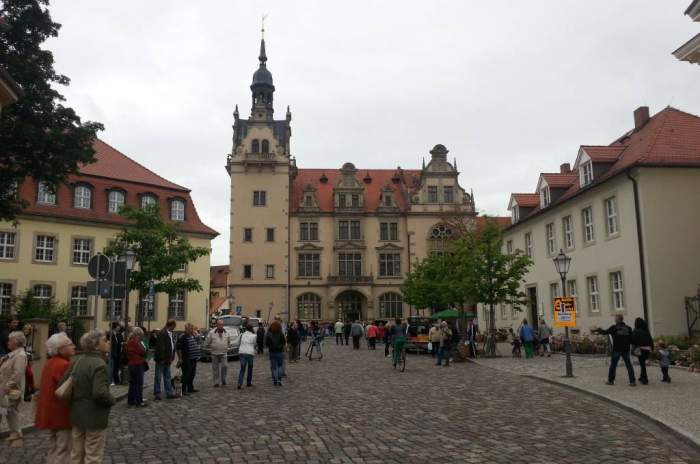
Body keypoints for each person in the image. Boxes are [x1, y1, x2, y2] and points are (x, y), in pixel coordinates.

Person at [69, 330, 116, 464]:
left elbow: (65, 383)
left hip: (77, 414)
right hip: (94, 416)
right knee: (93, 456)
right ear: (95, 345)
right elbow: (100, 393)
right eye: (105, 340)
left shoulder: (78, 361)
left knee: (76, 454)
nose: (108, 343)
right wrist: (112, 400)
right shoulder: (99, 364)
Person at [36, 332, 75, 463]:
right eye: (70, 344)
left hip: (51, 412)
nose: (74, 346)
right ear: (60, 349)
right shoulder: (63, 365)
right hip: (61, 412)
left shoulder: (51, 362)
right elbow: (68, 390)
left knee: (54, 447)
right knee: (63, 449)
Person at [0, 331, 28, 445]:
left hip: (10, 390)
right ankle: (15, 434)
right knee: (6, 411)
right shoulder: (13, 355)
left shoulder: (20, 356)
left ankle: (16, 435)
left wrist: (6, 388)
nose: (8, 342)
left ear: (16, 342)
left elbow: (17, 374)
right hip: (5, 389)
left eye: (10, 340)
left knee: (10, 411)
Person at [594, 315, 636, 386]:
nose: (614, 320)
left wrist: (598, 329)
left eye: (615, 319)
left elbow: (605, 332)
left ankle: (611, 381)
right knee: (628, 365)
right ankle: (632, 381)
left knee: (613, 365)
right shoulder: (628, 328)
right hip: (626, 349)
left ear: (617, 320)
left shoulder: (614, 327)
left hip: (617, 349)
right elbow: (632, 339)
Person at [153, 319, 178, 400]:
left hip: (168, 358)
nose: (174, 328)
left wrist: (172, 356)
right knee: (158, 376)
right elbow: (161, 347)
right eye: (174, 326)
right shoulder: (162, 333)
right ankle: (157, 393)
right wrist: (162, 358)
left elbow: (172, 345)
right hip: (162, 359)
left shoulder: (170, 333)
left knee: (167, 376)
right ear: (171, 325)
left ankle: (169, 392)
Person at [206, 319, 232, 387]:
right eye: (219, 324)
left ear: (223, 325)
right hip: (214, 353)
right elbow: (207, 342)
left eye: (222, 325)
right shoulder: (211, 332)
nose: (220, 326)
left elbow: (229, 342)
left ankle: (223, 379)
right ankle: (216, 382)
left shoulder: (226, 332)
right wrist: (211, 347)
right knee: (215, 368)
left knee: (225, 366)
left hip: (224, 353)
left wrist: (227, 347)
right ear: (217, 325)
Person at [176, 323, 201, 395]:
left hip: (193, 358)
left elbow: (198, 343)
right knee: (186, 374)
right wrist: (180, 358)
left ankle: (190, 388)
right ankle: (183, 390)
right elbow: (178, 348)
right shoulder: (182, 337)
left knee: (192, 374)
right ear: (186, 329)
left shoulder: (192, 336)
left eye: (192, 329)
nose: (192, 330)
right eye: (190, 329)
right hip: (187, 359)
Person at [126, 327, 147, 407]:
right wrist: (142, 349)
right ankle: (139, 401)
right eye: (141, 335)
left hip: (131, 364)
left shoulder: (130, 341)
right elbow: (142, 352)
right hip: (137, 364)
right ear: (138, 334)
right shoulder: (135, 342)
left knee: (133, 383)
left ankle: (131, 400)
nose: (142, 337)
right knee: (138, 383)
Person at [631, 317, 653, 385]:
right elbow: (650, 339)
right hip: (647, 349)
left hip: (640, 349)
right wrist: (652, 348)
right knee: (642, 363)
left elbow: (633, 340)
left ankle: (645, 379)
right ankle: (641, 377)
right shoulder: (646, 330)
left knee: (642, 364)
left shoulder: (636, 330)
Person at [265, 320, 286, 386]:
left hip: (272, 352)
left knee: (274, 367)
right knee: (280, 366)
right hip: (279, 352)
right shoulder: (281, 335)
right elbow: (284, 343)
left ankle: (275, 380)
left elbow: (266, 344)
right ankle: (279, 380)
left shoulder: (270, 335)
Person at [238, 324, 257, 389]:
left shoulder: (242, 334)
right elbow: (254, 344)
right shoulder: (254, 336)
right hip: (250, 353)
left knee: (242, 368)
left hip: (242, 352)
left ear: (246, 329)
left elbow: (238, 342)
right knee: (250, 368)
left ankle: (239, 383)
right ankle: (248, 382)